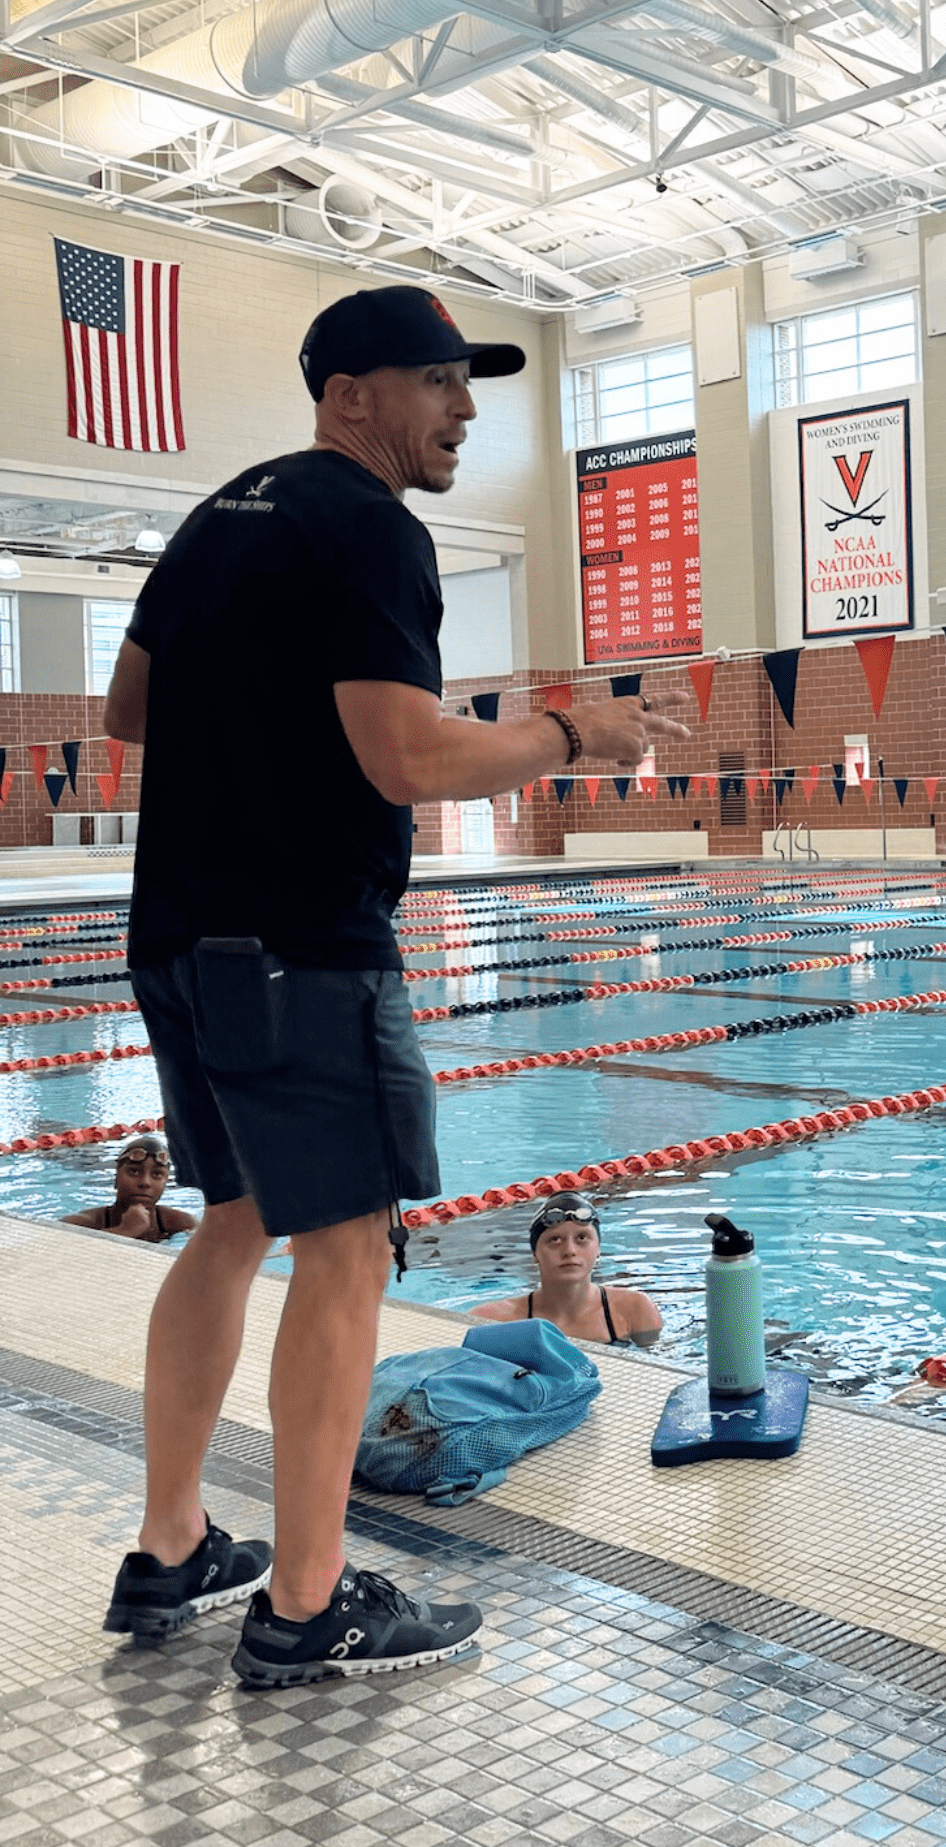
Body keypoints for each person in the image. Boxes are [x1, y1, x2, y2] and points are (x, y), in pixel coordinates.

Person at [99, 284, 685, 1686]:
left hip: (179, 931)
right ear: (352, 393)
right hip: (303, 944)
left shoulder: (221, 512)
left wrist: (257, 733)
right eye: (437, 382)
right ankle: (307, 1604)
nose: (464, 409)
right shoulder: (369, 526)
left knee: (230, 1224)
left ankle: (172, 1543)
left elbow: (127, 710)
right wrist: (568, 729)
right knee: (348, 1251)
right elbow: (408, 761)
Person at [470, 1193, 663, 1346]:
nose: (569, 1251)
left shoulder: (635, 1310)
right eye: (554, 1240)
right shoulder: (496, 1320)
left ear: (598, 1250)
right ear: (535, 1254)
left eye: (582, 1238)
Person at [64, 1134, 198, 1242]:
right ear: (117, 1177)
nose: (145, 1182)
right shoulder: (80, 1223)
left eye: (157, 1174)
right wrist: (125, 1231)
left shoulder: (182, 1223)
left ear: (165, 1183)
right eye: (134, 1172)